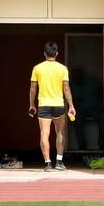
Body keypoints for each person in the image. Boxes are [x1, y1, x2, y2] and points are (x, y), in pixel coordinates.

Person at [28, 42, 76, 171]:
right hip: (58, 105)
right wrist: (71, 105)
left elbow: (33, 89)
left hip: (43, 105)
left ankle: (48, 163)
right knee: (60, 133)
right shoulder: (63, 68)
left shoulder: (37, 68)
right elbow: (66, 88)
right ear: (57, 54)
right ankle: (59, 162)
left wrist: (32, 105)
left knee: (44, 134)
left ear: (44, 54)